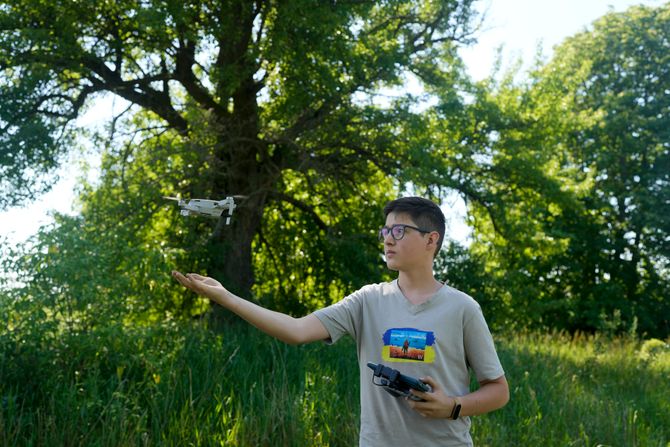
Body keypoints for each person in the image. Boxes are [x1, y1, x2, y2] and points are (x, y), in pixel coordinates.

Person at [172, 196, 509, 446]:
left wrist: (452, 406)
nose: (388, 238)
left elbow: (498, 391)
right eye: (386, 230)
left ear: (431, 240)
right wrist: (225, 297)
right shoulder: (367, 300)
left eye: (400, 230)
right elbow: (296, 329)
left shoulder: (462, 308)